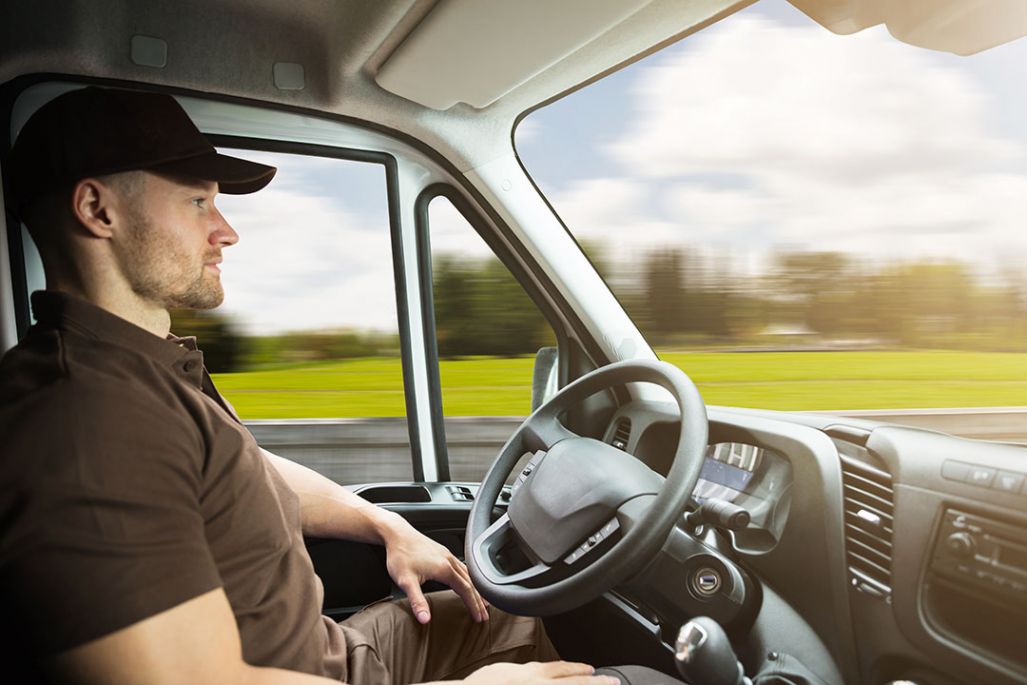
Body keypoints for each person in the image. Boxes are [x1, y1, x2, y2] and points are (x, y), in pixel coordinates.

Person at [0, 86, 625, 685]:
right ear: (97, 210)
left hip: (330, 653)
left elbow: (248, 470)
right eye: (197, 202)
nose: (226, 230)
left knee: (521, 609)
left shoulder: (142, 369)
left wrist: (384, 523)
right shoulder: (89, 424)